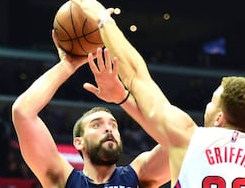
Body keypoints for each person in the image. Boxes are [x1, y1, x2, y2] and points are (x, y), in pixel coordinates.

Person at [67, 0, 245, 187]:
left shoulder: (190, 137)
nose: (207, 105)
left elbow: (137, 74)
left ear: (219, 117)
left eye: (212, 101)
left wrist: (103, 20)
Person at [11, 31, 170, 188]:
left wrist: (123, 98)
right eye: (96, 125)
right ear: (79, 142)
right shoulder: (62, 180)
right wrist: (68, 65)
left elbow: (183, 140)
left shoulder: (138, 176)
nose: (108, 128)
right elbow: (23, 112)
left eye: (113, 125)